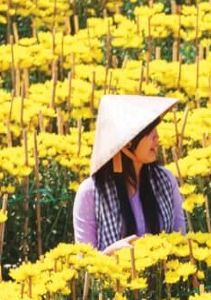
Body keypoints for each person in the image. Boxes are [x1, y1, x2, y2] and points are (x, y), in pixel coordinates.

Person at [73, 94, 187, 254]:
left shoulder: (166, 181)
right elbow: (83, 264)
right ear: (126, 142)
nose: (157, 137)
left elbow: (182, 241)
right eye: (148, 131)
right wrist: (109, 254)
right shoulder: (90, 193)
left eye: (155, 128)